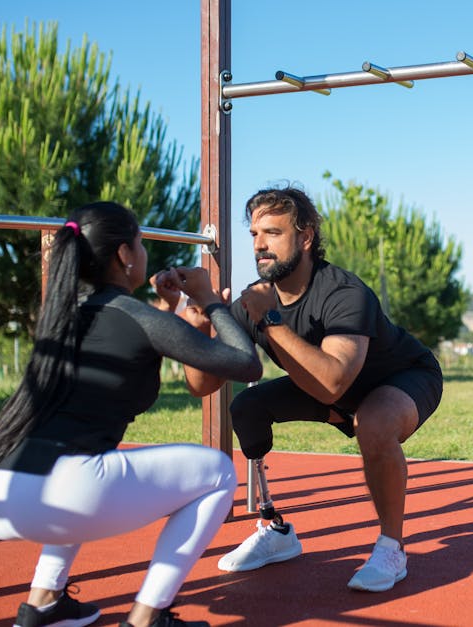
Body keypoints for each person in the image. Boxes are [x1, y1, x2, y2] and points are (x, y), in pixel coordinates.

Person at [0, 201, 263, 627]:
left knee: (84, 461)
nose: (144, 253)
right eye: (141, 243)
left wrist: (166, 306)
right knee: (217, 472)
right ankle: (146, 618)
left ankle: (44, 603)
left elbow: (133, 346)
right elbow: (247, 364)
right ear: (123, 255)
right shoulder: (133, 315)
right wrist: (210, 301)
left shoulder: (64, 316)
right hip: (60, 493)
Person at [181, 186, 443, 593]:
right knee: (247, 407)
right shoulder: (256, 300)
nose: (260, 245)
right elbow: (203, 384)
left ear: (305, 237)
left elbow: (332, 382)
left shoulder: (343, 293)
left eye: (272, 232)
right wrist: (196, 325)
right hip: (333, 390)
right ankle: (276, 529)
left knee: (372, 423)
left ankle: (392, 547)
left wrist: (268, 318)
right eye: (254, 234)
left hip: (401, 377)